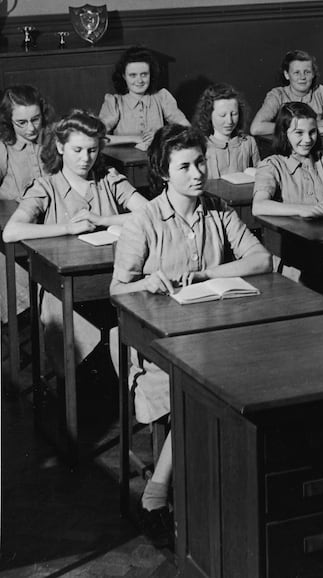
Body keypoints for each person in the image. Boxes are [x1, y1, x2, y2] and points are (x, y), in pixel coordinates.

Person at [110, 124, 272, 546]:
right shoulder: (143, 220)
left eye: (201, 161)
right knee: (203, 386)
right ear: (163, 172)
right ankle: (157, 496)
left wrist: (205, 273)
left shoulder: (217, 207)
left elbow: (260, 260)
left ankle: (239, 491)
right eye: (185, 166)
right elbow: (117, 289)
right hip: (159, 344)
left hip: (217, 333)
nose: (198, 172)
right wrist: (145, 284)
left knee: (255, 372)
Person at [3, 110, 147, 374]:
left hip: (112, 277)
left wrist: (104, 219)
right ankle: (79, 384)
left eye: (92, 150)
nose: (85, 159)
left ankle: (131, 387)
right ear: (60, 147)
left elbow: (150, 214)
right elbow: (11, 232)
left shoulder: (109, 179)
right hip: (62, 287)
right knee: (64, 320)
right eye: (77, 150)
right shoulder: (45, 187)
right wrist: (68, 227)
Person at [253, 103, 323, 218]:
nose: (307, 139)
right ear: (284, 134)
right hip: (291, 232)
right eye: (299, 133)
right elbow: (258, 206)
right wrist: (301, 210)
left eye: (312, 132)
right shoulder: (271, 165)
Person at [0, 85, 52, 322]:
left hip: (52, 226)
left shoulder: (52, 140)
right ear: (8, 121)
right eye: (21, 122)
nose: (31, 128)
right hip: (17, 232)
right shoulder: (3, 148)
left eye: (35, 119)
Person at [99, 45, 189, 147]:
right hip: (123, 161)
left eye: (144, 74)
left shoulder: (162, 98)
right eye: (133, 75)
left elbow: (187, 129)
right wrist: (134, 139)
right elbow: (97, 137)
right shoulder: (115, 103)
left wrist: (160, 135)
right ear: (124, 76)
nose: (139, 80)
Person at [250, 49, 323, 137]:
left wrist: (321, 123)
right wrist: (306, 126)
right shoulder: (277, 95)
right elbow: (256, 128)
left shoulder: (320, 92)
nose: (302, 77)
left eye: (307, 72)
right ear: (287, 75)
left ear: (313, 74)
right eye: (296, 73)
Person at [192, 82, 260, 178]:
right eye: (222, 115)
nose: (229, 121)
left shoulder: (248, 143)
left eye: (234, 114)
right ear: (209, 115)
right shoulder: (200, 146)